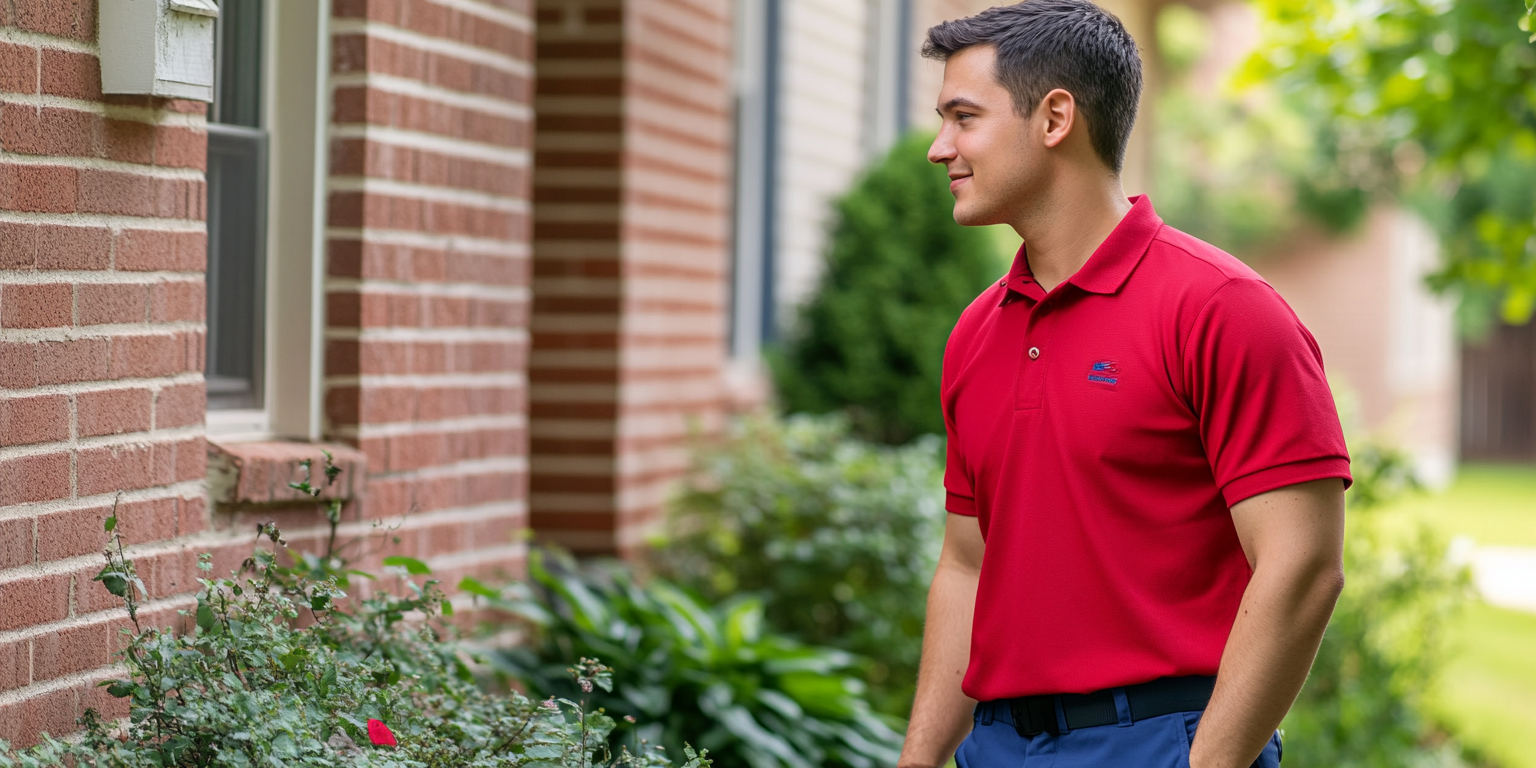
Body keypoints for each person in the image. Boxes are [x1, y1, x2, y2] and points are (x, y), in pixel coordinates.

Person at [897, 2, 1352, 767]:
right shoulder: (977, 333)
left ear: (1055, 118)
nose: (942, 148)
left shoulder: (1222, 310)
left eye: (964, 117)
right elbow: (967, 565)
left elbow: (1302, 567)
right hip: (999, 747)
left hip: (1160, 742)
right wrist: (917, 761)